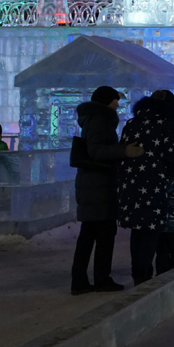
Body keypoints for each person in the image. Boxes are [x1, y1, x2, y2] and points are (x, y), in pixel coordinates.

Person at [70, 86, 143, 295]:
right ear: (106, 102)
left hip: (94, 184)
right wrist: (125, 150)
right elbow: (97, 150)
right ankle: (99, 279)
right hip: (98, 185)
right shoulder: (100, 120)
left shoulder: (94, 119)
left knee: (91, 234)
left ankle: (81, 280)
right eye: (114, 100)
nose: (117, 104)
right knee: (103, 234)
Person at [117, 92, 174, 284]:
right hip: (155, 182)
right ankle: (145, 274)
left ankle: (137, 272)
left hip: (130, 183)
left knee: (137, 230)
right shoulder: (167, 125)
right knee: (152, 229)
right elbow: (171, 156)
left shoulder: (131, 124)